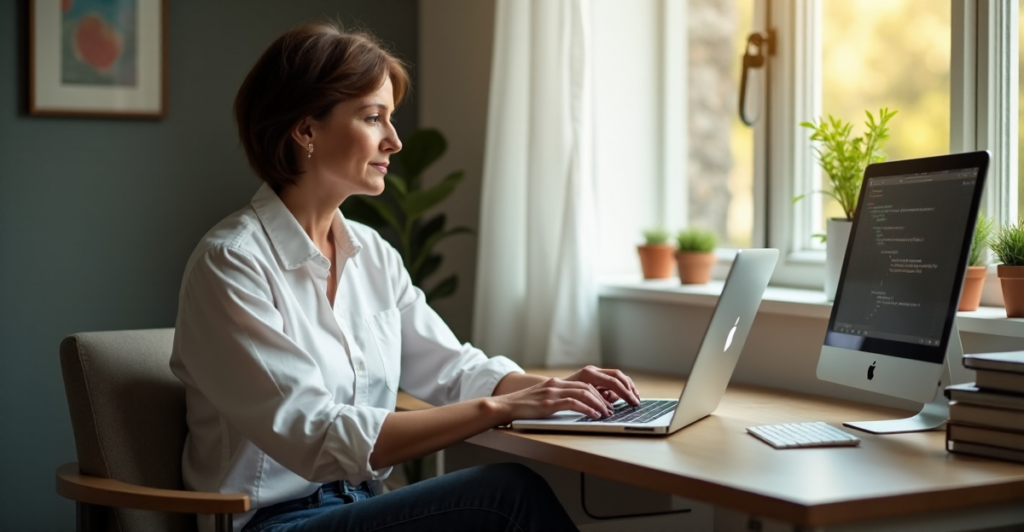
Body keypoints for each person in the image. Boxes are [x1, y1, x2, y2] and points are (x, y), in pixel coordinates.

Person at [170, 22, 641, 532]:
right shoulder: (232, 262)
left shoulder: (372, 255)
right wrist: (501, 406)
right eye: (374, 118)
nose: (394, 141)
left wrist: (555, 390)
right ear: (305, 130)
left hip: (358, 505)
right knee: (506, 495)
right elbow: (317, 437)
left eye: (390, 119)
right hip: (273, 523)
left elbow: (453, 370)